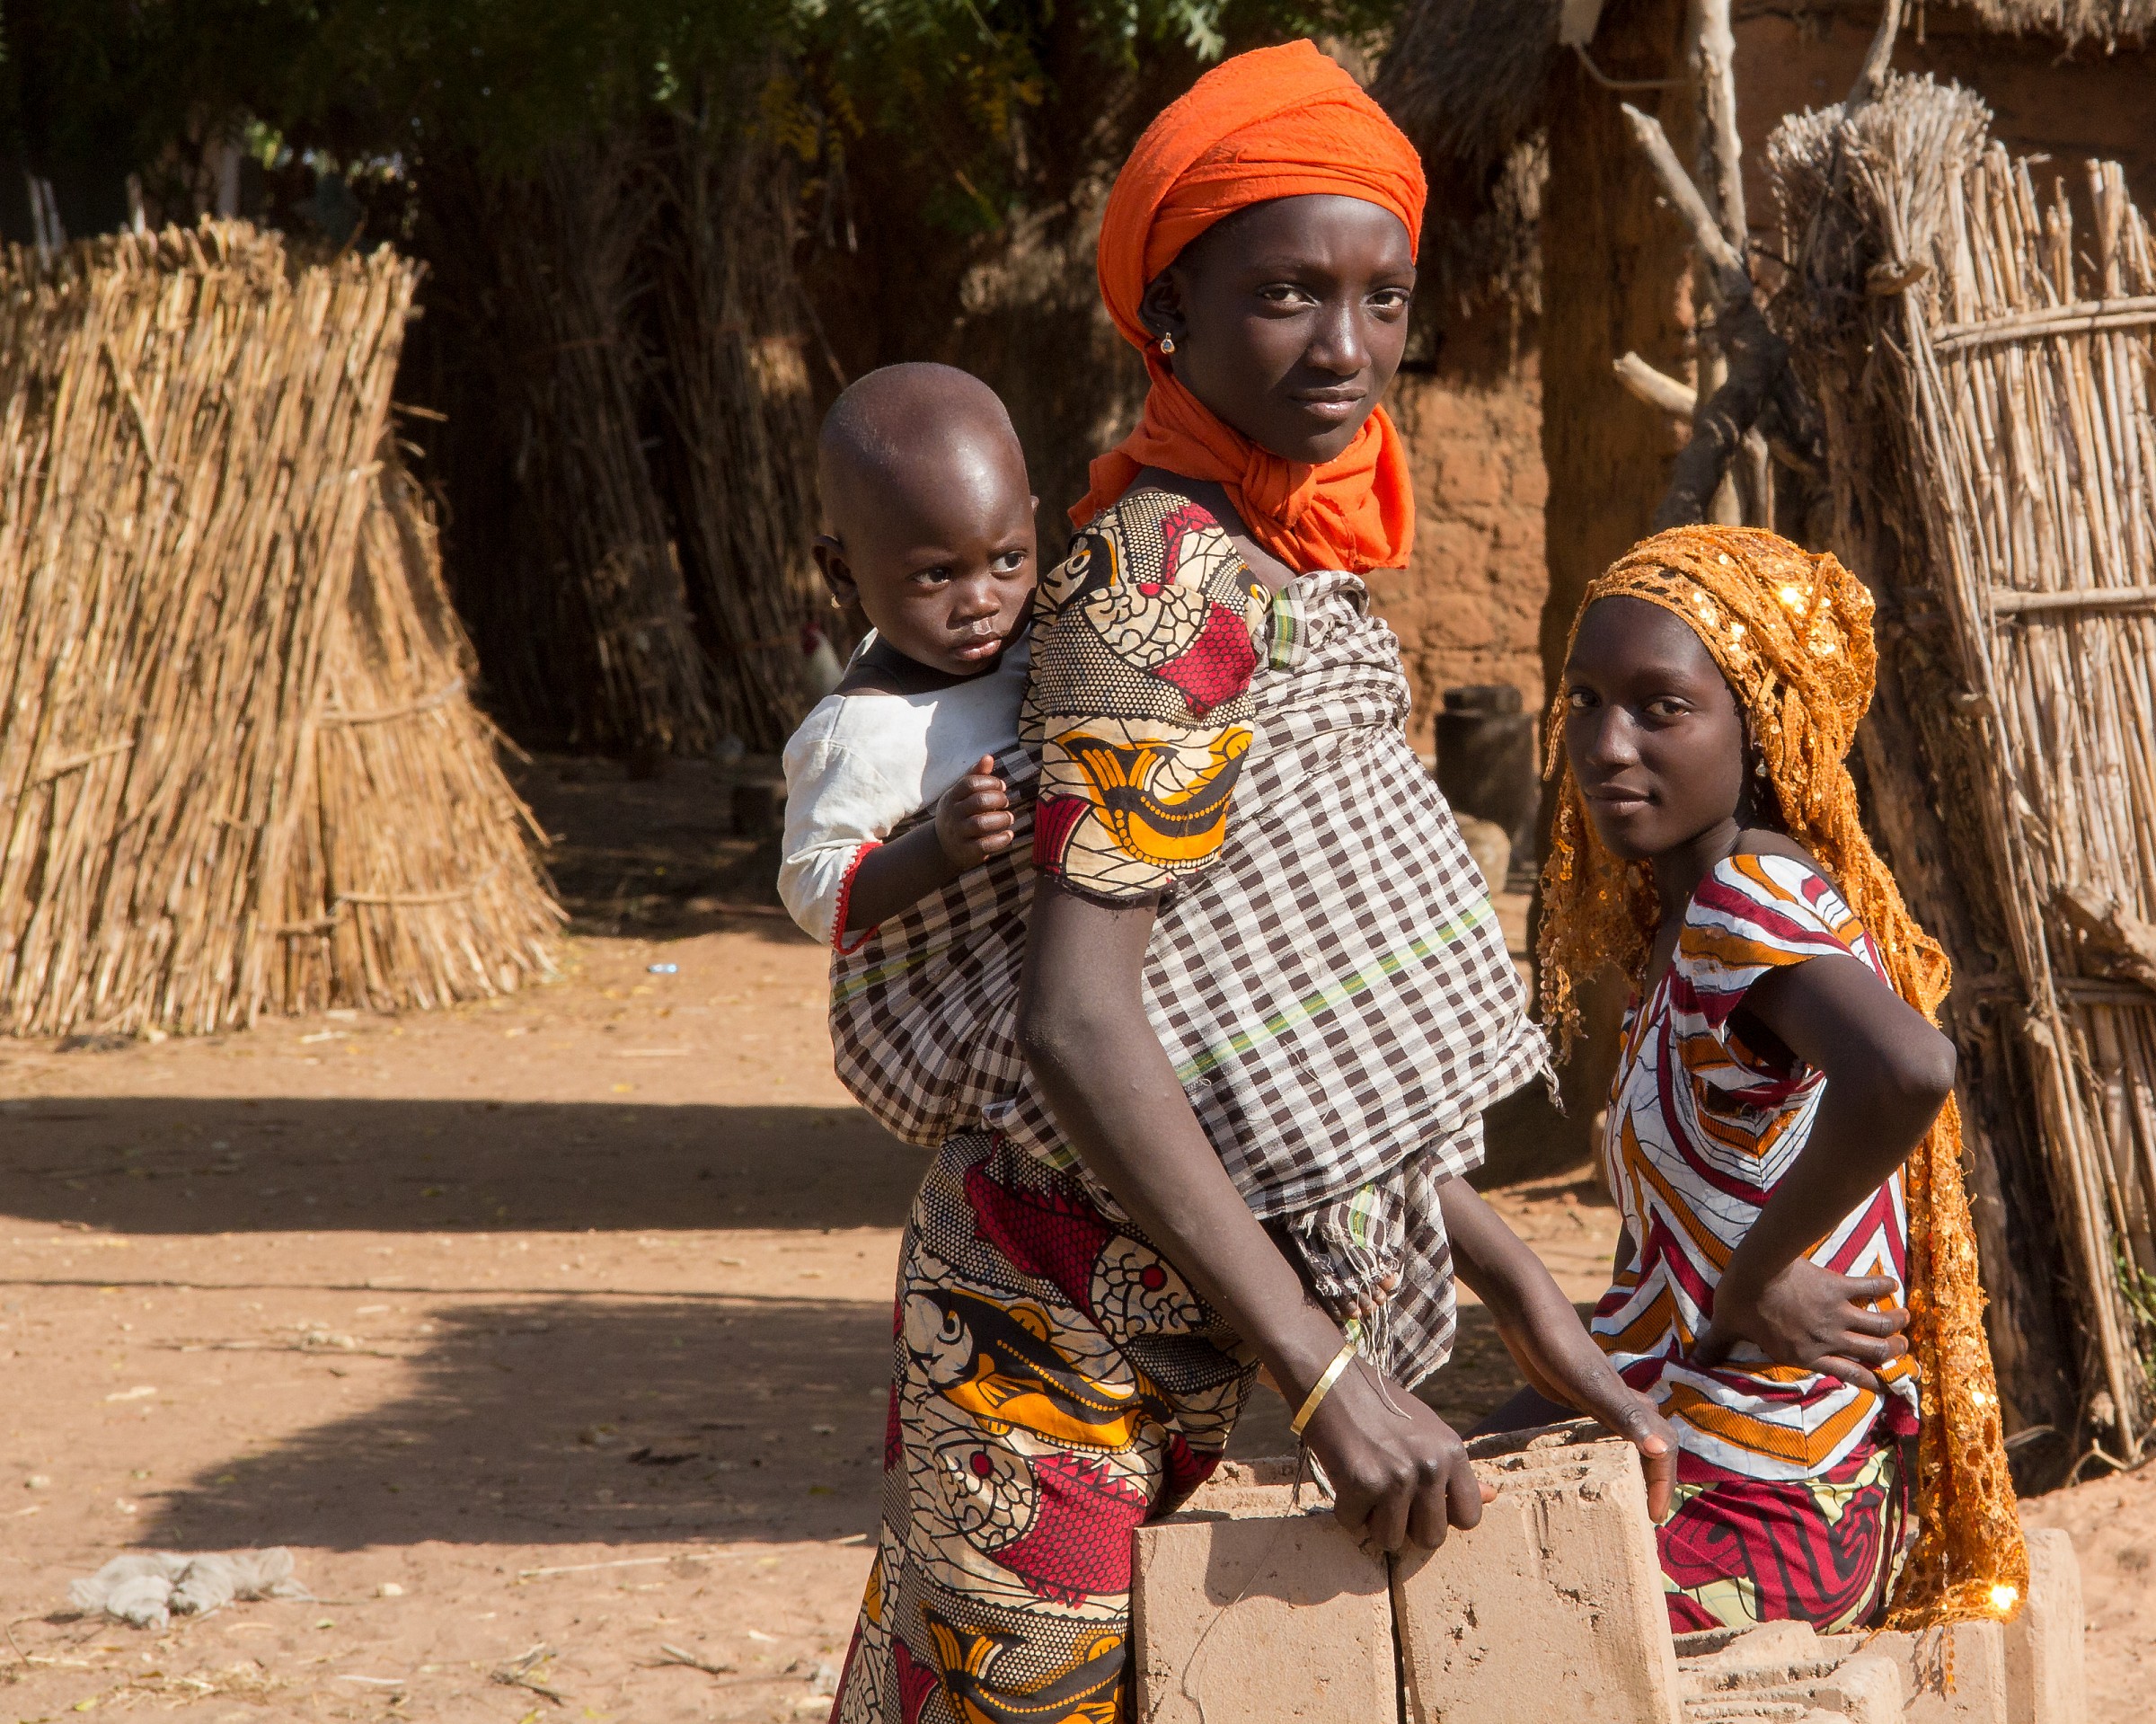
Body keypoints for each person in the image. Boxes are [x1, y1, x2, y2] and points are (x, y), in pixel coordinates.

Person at [829, 43, 1678, 1724]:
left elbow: (1272, 1046)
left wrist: (1530, 1301)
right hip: (1045, 1351)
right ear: (1172, 312)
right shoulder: (1159, 587)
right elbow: (1083, 1023)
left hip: (1167, 1339)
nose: (1348, 347)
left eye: (1380, 294)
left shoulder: (1281, 563)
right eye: (1289, 292)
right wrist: (1330, 1364)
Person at [1526, 524, 2028, 1632]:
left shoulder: (1745, 900)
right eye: (1585, 702)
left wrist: (1757, 1279)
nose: (1609, 744)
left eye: (1662, 708)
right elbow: (1655, 1288)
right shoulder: (1693, 915)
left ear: (1757, 727)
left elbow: (1909, 1067)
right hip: (1712, 1454)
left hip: (1775, 1509)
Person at [778, 365, 1032, 953]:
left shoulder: (1041, 638)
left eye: (1009, 559)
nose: (981, 600)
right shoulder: (856, 735)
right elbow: (813, 888)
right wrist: (938, 847)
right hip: (952, 1002)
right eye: (936, 574)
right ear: (842, 572)